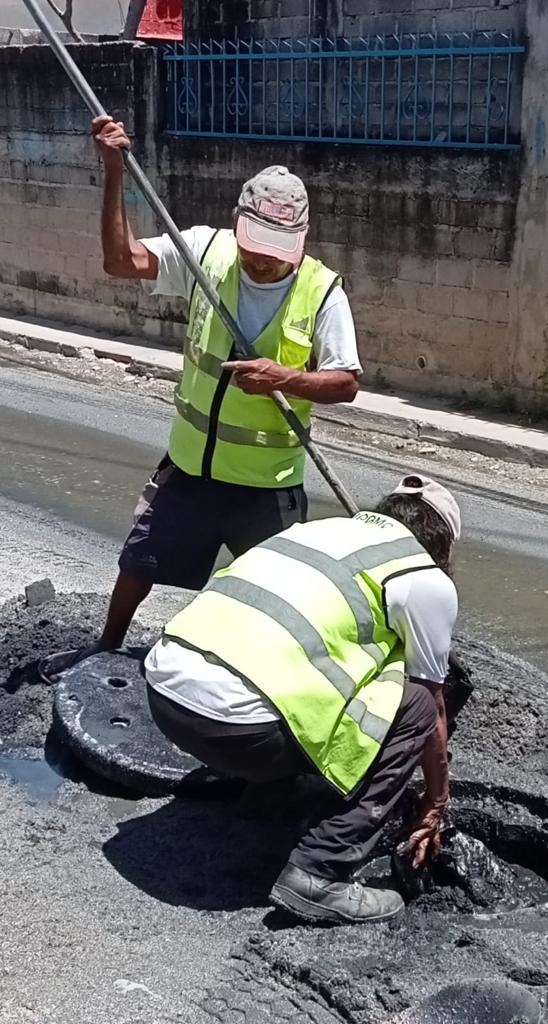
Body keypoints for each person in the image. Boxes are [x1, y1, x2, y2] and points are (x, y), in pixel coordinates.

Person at [43, 116, 360, 676]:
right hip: (190, 468)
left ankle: (286, 685)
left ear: (300, 240)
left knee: (284, 602)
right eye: (254, 245)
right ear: (237, 225)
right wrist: (114, 169)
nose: (261, 259)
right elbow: (120, 261)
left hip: (267, 488)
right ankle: (106, 647)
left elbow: (345, 383)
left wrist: (283, 378)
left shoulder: (322, 290)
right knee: (138, 560)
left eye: (275, 249)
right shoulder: (203, 254)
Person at [144, 474, 461, 924]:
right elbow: (433, 705)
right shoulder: (425, 578)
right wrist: (435, 802)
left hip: (165, 696)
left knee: (321, 659)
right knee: (413, 705)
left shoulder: (315, 531)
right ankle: (319, 871)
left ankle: (269, 794)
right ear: (444, 545)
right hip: (238, 733)